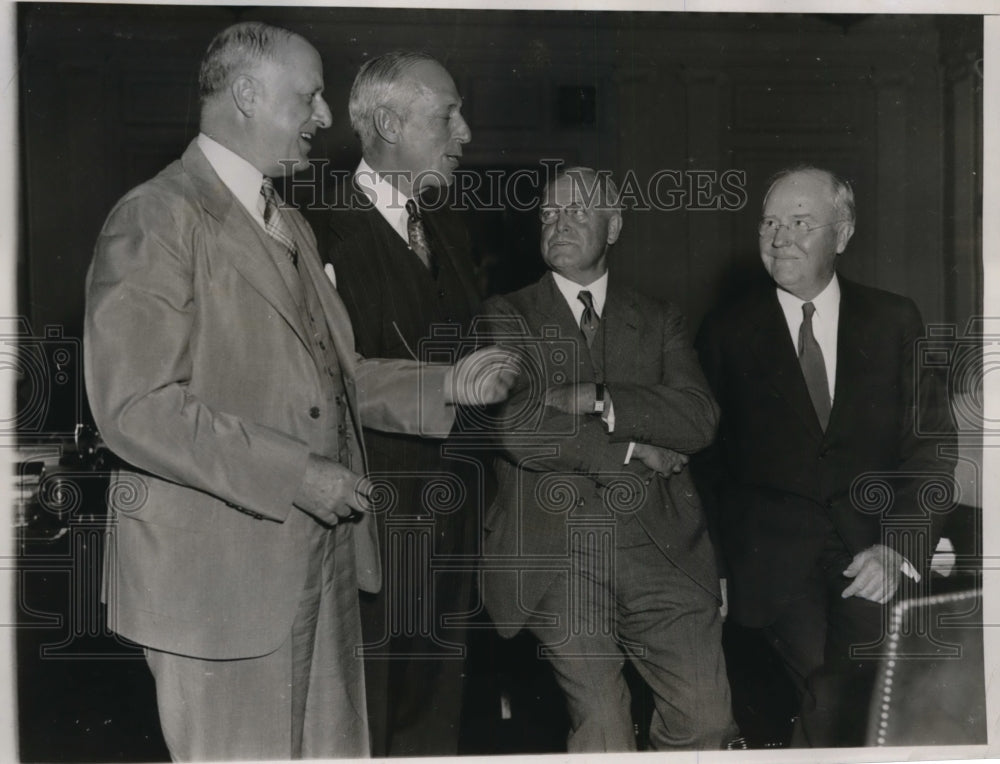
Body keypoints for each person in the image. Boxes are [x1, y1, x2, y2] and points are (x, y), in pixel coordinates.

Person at [83, 23, 514, 761]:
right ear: (247, 95)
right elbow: (135, 407)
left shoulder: (287, 224)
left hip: (321, 563)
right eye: (309, 96)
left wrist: (450, 384)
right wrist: (296, 474)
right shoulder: (158, 215)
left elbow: (344, 378)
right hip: (219, 586)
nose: (322, 117)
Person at [694, 165, 956, 747]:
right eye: (768, 222)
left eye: (800, 222)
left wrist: (899, 547)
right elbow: (704, 466)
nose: (778, 236)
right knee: (832, 688)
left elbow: (932, 448)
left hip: (873, 552)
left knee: (870, 687)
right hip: (772, 566)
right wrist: (713, 569)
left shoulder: (894, 321)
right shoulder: (725, 331)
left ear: (842, 234)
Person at [478, 167, 737, 752]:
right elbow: (515, 424)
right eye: (547, 214)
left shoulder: (657, 317)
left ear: (613, 225)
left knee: (707, 720)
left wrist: (601, 399)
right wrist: (630, 445)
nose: (557, 223)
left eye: (575, 212)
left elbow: (698, 418)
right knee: (604, 725)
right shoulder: (505, 315)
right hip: (558, 549)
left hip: (660, 546)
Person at [320, 51, 480, 757]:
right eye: (448, 115)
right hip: (366, 539)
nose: (465, 133)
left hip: (450, 537)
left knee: (432, 727)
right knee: (363, 727)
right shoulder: (313, 231)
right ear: (387, 122)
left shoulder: (449, 229)